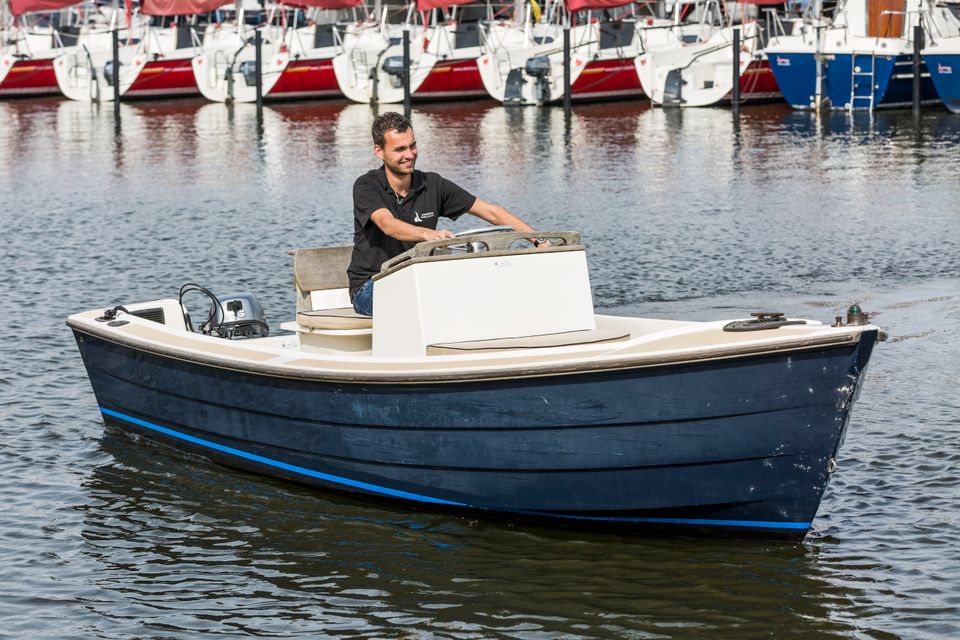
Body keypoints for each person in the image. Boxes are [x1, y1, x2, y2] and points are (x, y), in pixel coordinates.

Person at [347, 112, 542, 317]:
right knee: (429, 302)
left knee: (482, 290)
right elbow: (387, 224)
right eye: (400, 149)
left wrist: (540, 241)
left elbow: (492, 213)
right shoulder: (366, 186)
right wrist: (428, 234)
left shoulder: (432, 185)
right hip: (372, 284)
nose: (410, 155)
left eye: (413, 146)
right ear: (379, 151)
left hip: (418, 279)